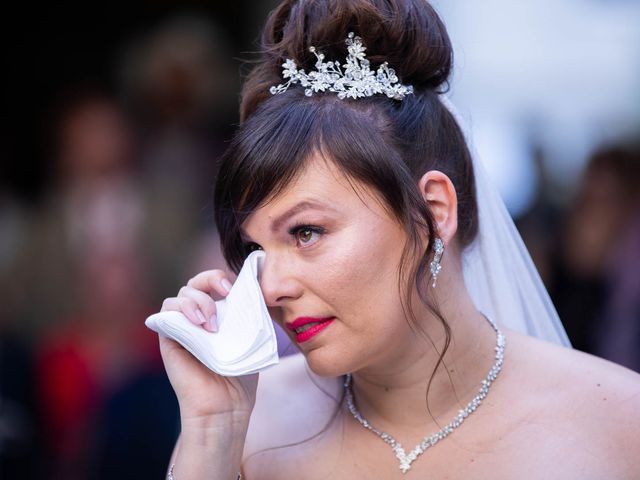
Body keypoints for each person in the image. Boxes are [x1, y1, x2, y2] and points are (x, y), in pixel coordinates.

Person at [154, 1, 640, 478]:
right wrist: (213, 435)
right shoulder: (249, 427)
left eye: (306, 232)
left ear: (433, 211)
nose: (269, 288)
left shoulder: (618, 424)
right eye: (255, 251)